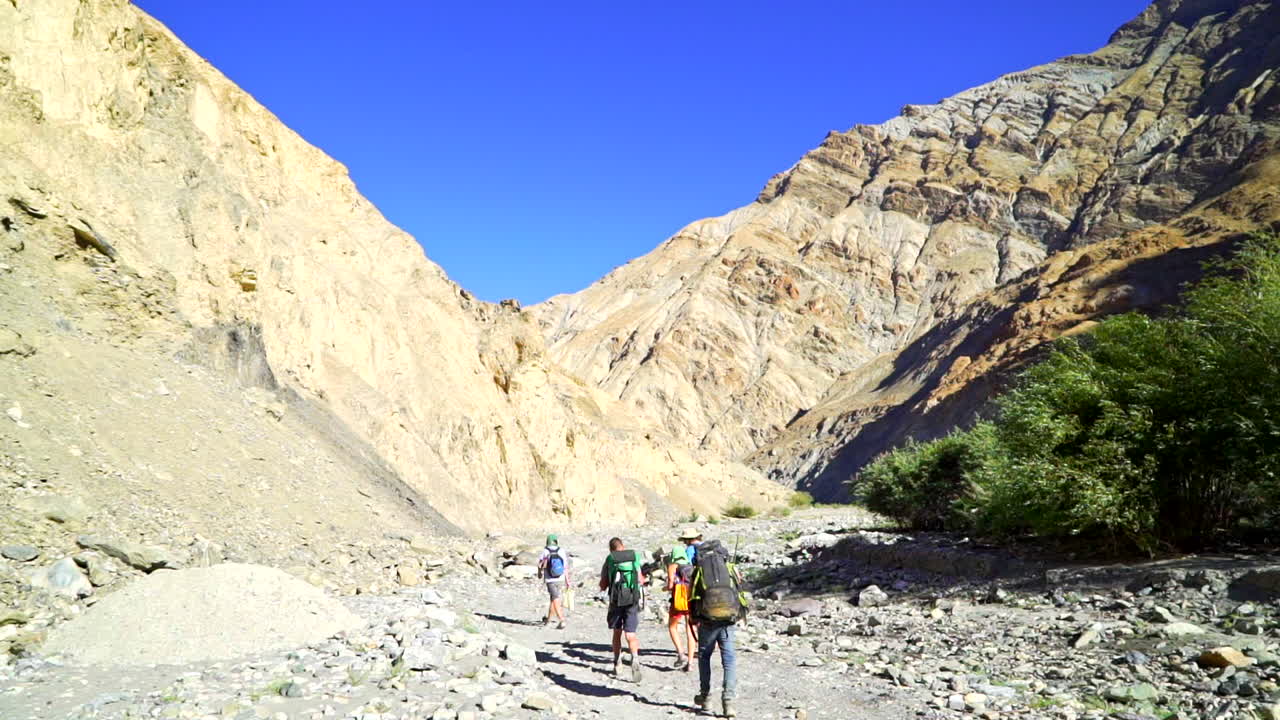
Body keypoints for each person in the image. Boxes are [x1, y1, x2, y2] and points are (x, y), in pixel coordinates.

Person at [690, 539, 743, 718]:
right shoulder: (729, 568)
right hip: (728, 620)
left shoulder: (699, 570)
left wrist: (693, 617)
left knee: (704, 657)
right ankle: (729, 702)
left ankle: (706, 698)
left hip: (707, 621)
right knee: (729, 660)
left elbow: (693, 596)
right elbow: (739, 590)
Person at [599, 537, 646, 682]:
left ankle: (617, 663)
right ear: (623, 546)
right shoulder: (634, 556)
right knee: (630, 634)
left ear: (610, 549)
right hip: (632, 599)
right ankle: (635, 659)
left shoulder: (610, 559)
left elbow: (603, 584)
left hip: (616, 601)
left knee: (617, 632)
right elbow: (641, 579)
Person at [664, 547, 697, 671]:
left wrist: (665, 588)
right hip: (691, 601)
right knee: (690, 630)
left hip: (678, 601)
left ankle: (681, 654)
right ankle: (690, 663)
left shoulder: (673, 566)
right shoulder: (691, 566)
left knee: (672, 627)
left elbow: (670, 585)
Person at [536, 534, 570, 629]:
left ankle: (562, 620)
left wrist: (539, 573)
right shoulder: (561, 550)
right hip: (560, 578)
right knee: (553, 598)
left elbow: (539, 564)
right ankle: (548, 620)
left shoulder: (545, 551)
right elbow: (565, 566)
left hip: (550, 579)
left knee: (555, 598)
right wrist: (567, 580)